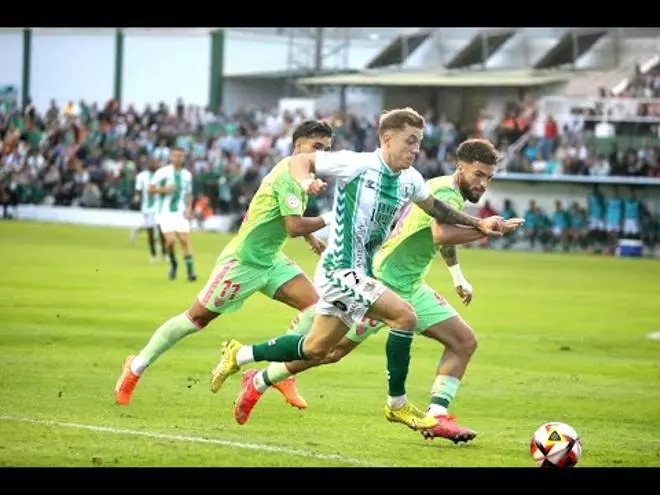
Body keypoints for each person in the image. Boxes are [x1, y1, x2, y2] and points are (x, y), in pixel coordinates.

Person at [210, 108, 504, 432]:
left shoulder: (411, 179)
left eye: (419, 142)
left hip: (362, 272)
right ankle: (398, 405)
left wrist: (478, 223)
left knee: (316, 348)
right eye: (410, 141)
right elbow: (299, 162)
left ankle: (241, 355)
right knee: (404, 316)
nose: (416, 149)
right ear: (387, 138)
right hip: (340, 268)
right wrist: (306, 181)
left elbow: (437, 209)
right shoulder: (356, 163)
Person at [114, 120, 334, 405]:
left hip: (271, 260)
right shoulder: (288, 175)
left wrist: (312, 239)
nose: (321, 155)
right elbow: (292, 225)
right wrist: (330, 219)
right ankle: (134, 368)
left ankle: (281, 374)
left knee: (317, 310)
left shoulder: (301, 174)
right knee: (194, 320)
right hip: (243, 263)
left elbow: (285, 219)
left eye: (327, 150)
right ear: (297, 146)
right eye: (316, 147)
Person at [149, 147, 197, 281]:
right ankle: (174, 264)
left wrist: (189, 209)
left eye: (181, 156)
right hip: (164, 213)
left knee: (184, 240)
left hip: (180, 212)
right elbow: (150, 189)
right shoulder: (162, 172)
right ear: (171, 157)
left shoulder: (187, 174)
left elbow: (189, 194)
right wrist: (165, 190)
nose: (178, 159)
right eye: (175, 156)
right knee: (170, 242)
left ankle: (190, 272)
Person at [130, 157, 166, 262]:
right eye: (151, 163)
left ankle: (164, 253)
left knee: (161, 229)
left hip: (159, 206)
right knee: (150, 231)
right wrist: (136, 196)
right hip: (147, 207)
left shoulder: (161, 175)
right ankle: (153, 254)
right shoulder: (141, 176)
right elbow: (138, 189)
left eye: (155, 163)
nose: (153, 165)